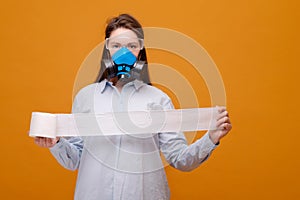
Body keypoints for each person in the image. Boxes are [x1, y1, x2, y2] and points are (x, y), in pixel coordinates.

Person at [34, 14, 232, 200]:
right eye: (116, 45)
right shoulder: (86, 98)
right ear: (107, 50)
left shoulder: (159, 100)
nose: (124, 52)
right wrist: (57, 143)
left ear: (140, 52)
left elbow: (179, 158)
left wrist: (211, 138)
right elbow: (75, 159)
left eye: (131, 46)